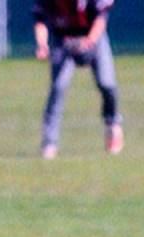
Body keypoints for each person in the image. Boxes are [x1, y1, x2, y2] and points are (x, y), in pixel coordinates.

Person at [33, 0, 124, 159]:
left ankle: (113, 124)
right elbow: (40, 20)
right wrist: (42, 45)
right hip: (63, 40)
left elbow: (101, 19)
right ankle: (50, 142)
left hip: (92, 37)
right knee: (58, 88)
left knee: (107, 83)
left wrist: (89, 41)